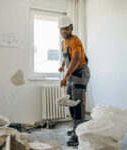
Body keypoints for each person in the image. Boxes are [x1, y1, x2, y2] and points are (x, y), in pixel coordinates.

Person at [58, 16, 90, 146]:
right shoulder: (64, 42)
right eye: (62, 29)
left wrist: (66, 76)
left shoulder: (75, 41)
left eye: (66, 28)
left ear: (71, 28)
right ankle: (76, 127)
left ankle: (77, 135)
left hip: (80, 74)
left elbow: (76, 60)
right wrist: (62, 65)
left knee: (77, 104)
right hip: (72, 74)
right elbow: (67, 56)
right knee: (71, 102)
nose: (64, 31)